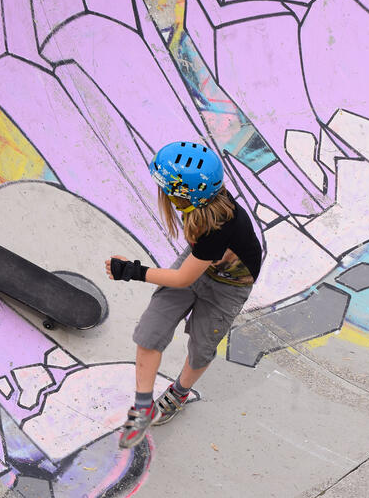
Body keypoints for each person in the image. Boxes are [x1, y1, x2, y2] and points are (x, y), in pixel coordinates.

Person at [106, 141, 263, 449]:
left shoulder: (217, 224)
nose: (163, 195)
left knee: (202, 348)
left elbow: (181, 278)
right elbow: (190, 269)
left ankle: (179, 393)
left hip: (229, 287)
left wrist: (131, 271)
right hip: (199, 263)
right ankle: (142, 407)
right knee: (150, 332)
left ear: (184, 196)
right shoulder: (203, 202)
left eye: (168, 190)